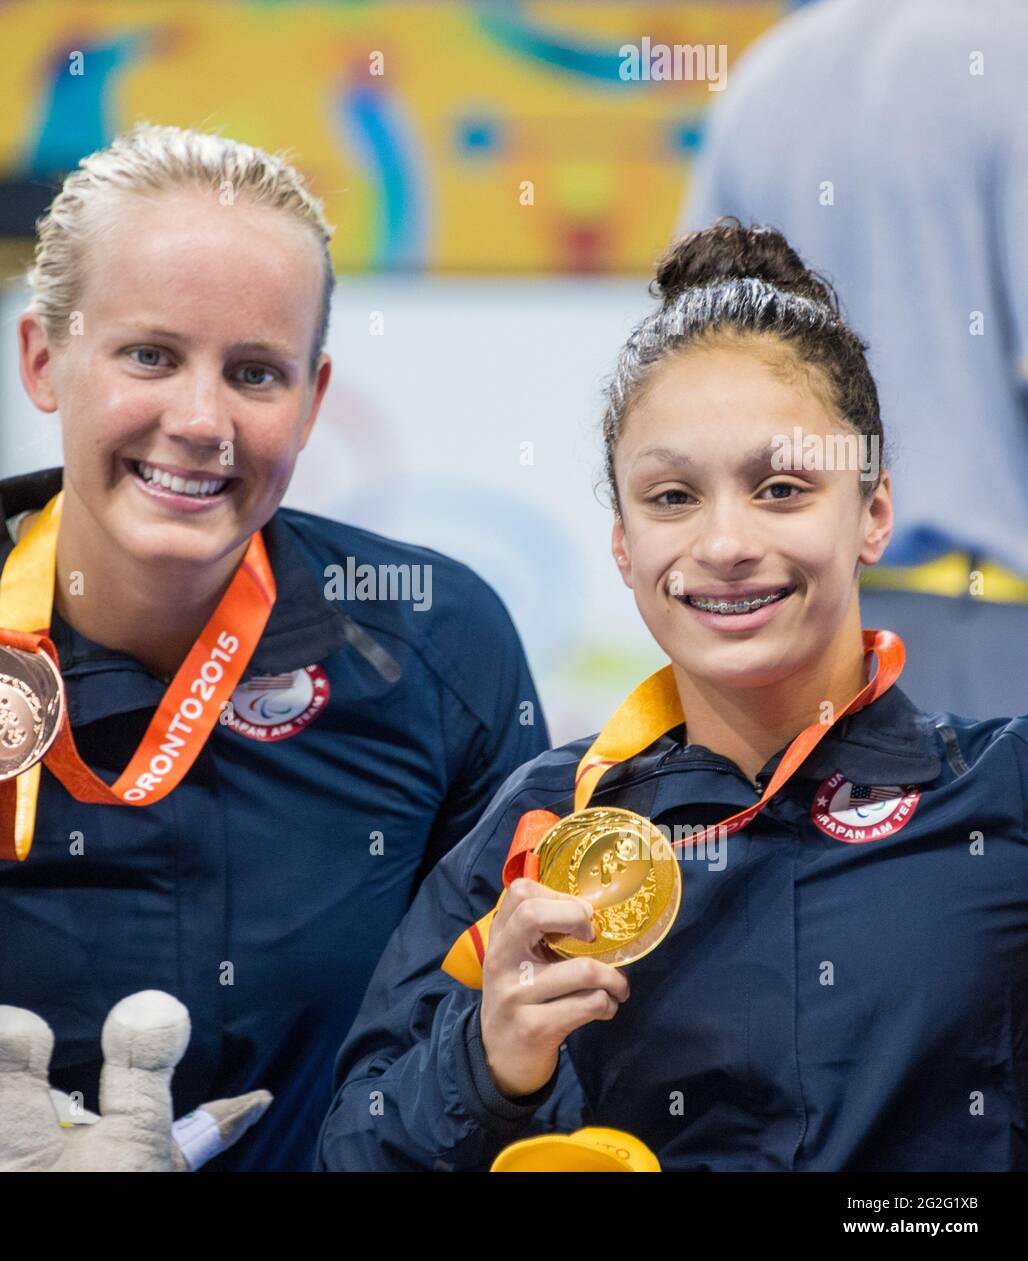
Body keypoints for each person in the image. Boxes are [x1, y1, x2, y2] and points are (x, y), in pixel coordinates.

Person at [0, 123, 550, 1173]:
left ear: (313, 398)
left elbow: (506, 1079)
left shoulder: (437, 643)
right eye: (150, 355)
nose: (201, 419)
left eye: (255, 373)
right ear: (42, 358)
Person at [318, 221, 1028, 1172]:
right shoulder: (540, 825)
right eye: (672, 497)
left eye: (781, 488)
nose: (725, 542)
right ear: (621, 544)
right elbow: (350, 1153)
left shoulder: (1003, 796)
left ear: (874, 511)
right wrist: (486, 1068)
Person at [678, 0, 1028, 718]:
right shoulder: (1012, 49)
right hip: (992, 622)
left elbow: (693, 360)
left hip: (797, 634)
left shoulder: (766, 76)